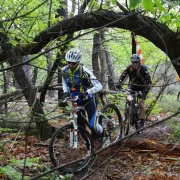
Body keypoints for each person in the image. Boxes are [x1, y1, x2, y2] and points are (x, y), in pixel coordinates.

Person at [61, 48, 110, 147]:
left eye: (73, 63)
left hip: (88, 100)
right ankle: (89, 146)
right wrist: (66, 92)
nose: (70, 65)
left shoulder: (85, 72)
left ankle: (105, 136)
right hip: (76, 101)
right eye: (69, 62)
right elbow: (64, 83)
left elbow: (99, 86)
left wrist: (87, 92)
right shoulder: (64, 70)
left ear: (78, 62)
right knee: (79, 126)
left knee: (93, 125)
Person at [116, 54, 152, 126]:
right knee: (128, 96)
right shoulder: (129, 68)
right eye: (133, 62)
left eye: (136, 62)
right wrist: (119, 83)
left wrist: (145, 92)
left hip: (143, 87)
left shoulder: (143, 68)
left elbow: (149, 82)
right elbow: (123, 75)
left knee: (141, 104)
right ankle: (130, 110)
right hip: (133, 86)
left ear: (139, 62)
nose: (134, 64)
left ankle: (141, 121)